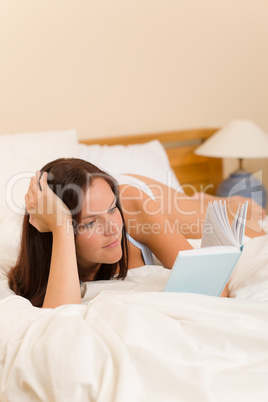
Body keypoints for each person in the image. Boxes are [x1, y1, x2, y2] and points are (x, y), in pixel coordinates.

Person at [8, 158, 265, 308]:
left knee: (247, 226)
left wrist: (105, 211)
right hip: (90, 204)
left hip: (142, 197)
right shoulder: (48, 254)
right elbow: (61, 321)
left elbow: (217, 289)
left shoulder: (130, 207)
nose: (112, 229)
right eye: (89, 223)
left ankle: (229, 202)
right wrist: (62, 224)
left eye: (111, 211)